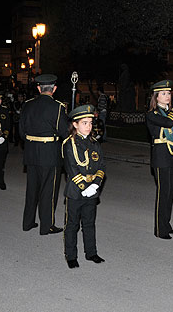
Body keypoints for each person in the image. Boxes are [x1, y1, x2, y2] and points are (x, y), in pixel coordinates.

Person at [19, 74, 69, 235]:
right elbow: (64, 133)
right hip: (49, 154)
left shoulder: (27, 105)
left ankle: (27, 222)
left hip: (31, 152)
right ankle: (46, 225)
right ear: (54, 89)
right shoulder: (58, 107)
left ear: (39, 88)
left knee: (32, 189)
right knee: (48, 191)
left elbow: (21, 132)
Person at [62, 104, 106, 269]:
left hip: (92, 191)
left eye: (90, 123)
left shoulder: (94, 143)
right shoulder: (69, 144)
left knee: (89, 223)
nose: (88, 126)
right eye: (84, 123)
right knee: (72, 225)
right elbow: (71, 168)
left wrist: (95, 185)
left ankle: (91, 252)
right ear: (75, 124)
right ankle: (71, 256)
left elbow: (101, 165)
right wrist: (84, 186)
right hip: (75, 191)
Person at [145, 80, 173, 239]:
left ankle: (166, 224)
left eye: (169, 93)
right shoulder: (152, 114)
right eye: (163, 94)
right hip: (161, 158)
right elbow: (168, 123)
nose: (167, 96)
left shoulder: (171, 113)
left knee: (170, 193)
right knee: (163, 193)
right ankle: (160, 229)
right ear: (156, 97)